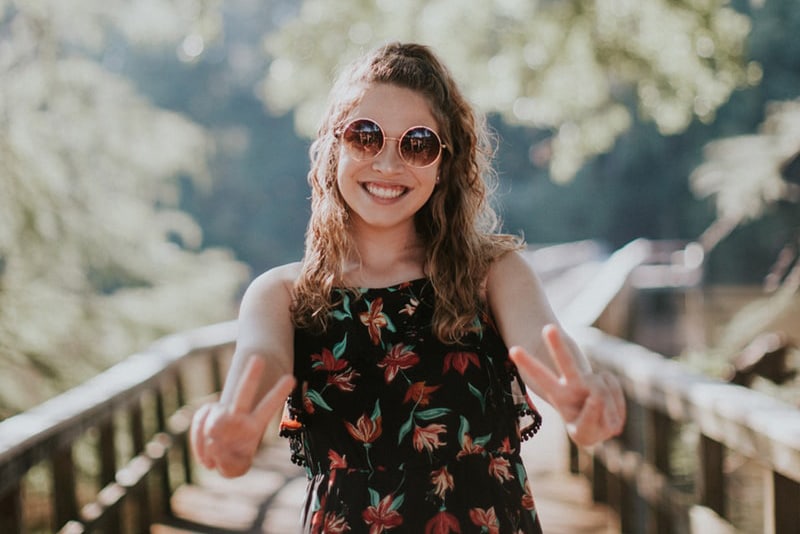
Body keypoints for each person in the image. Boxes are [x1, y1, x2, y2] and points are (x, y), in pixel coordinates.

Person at [191, 42, 625, 533]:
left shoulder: (494, 274)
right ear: (335, 146)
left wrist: (582, 405)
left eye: (417, 143)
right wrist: (232, 441)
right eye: (365, 136)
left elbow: (546, 348)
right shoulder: (283, 296)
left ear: (444, 164)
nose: (388, 164)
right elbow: (258, 376)